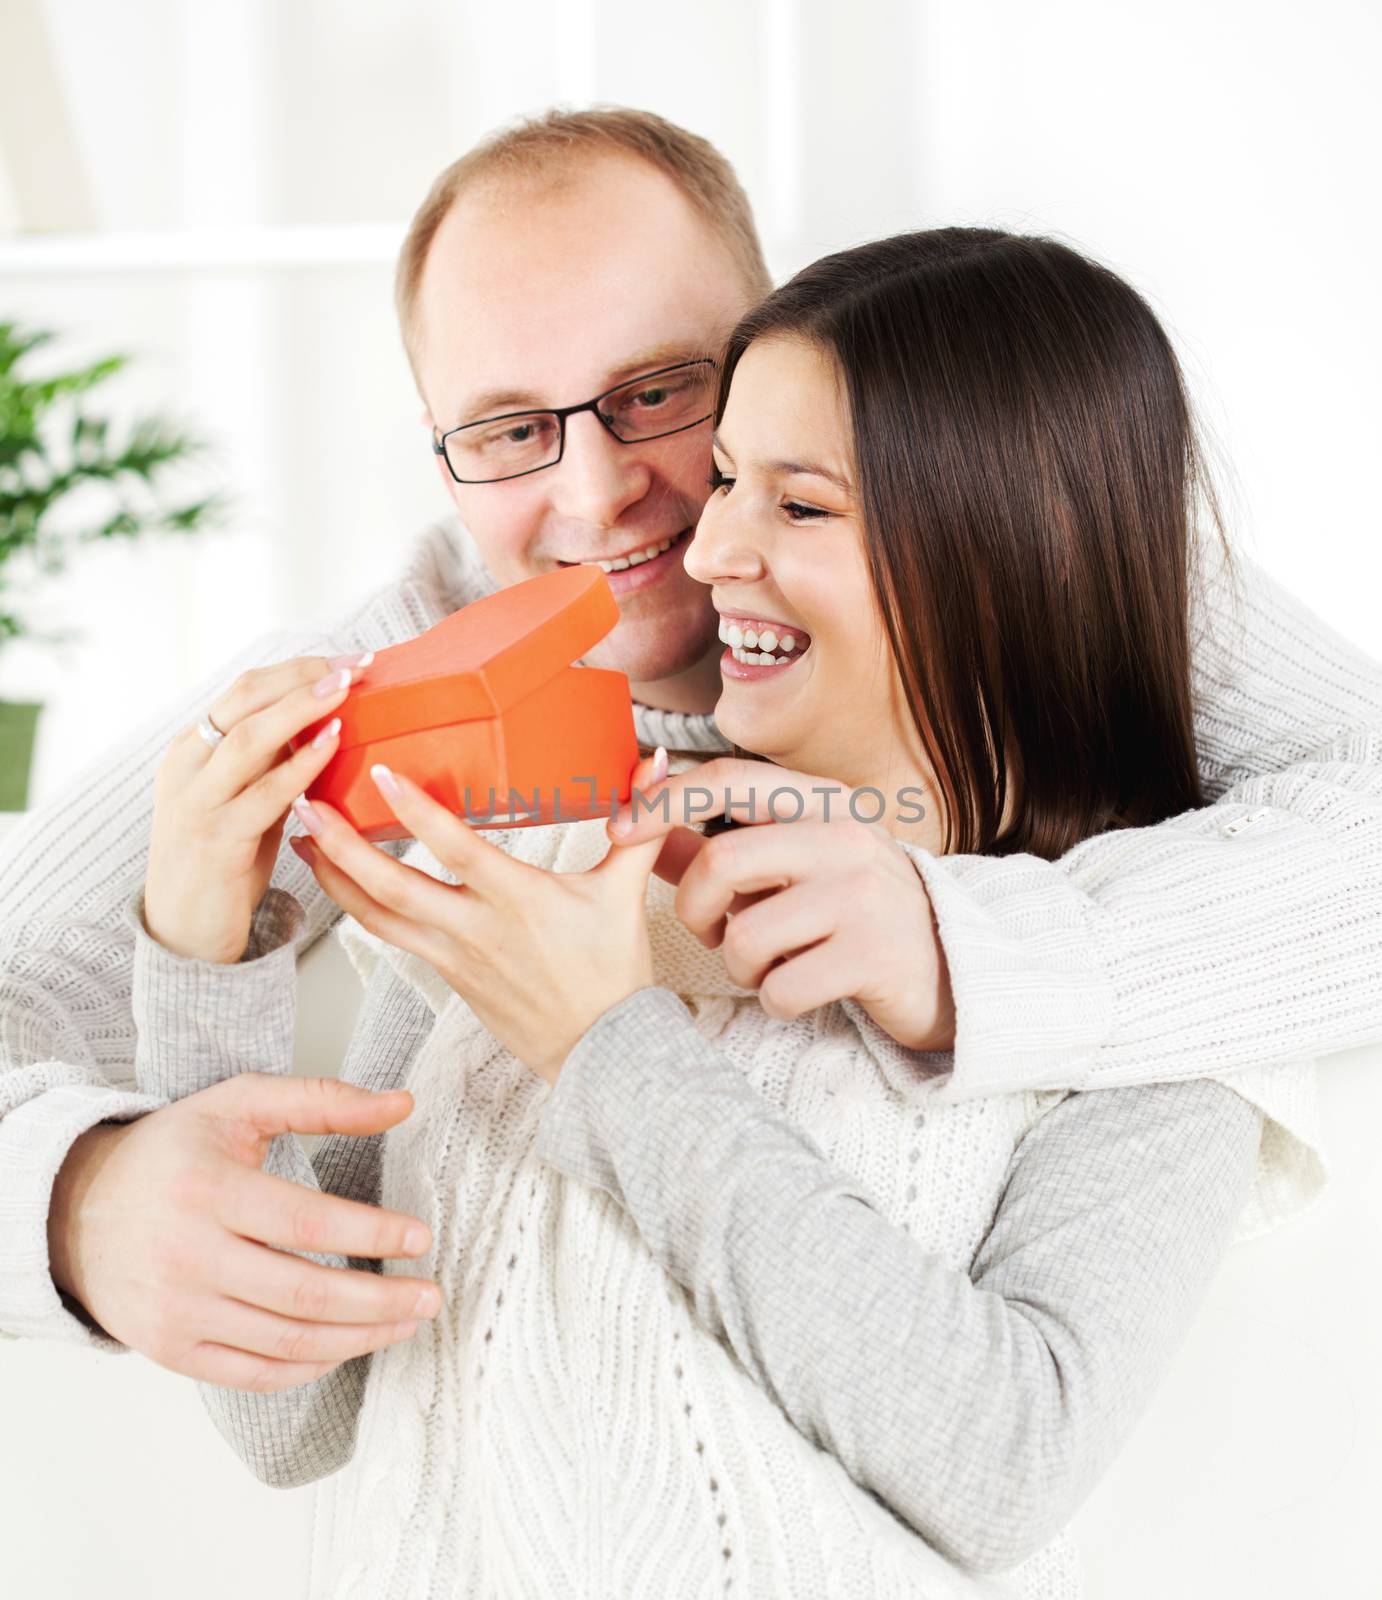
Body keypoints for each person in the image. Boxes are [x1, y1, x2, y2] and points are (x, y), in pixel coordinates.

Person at [0, 107, 1376, 1455]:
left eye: (659, 394)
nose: (600, 500)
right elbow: (294, 1401)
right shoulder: (380, 680)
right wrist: (73, 1201)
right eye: (501, 430)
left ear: (784, 347)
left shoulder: (1022, 565)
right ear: (439, 448)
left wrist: (958, 947)